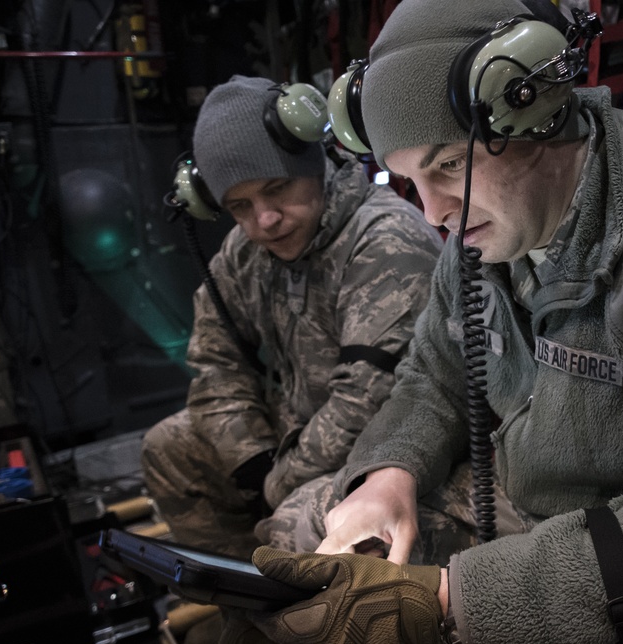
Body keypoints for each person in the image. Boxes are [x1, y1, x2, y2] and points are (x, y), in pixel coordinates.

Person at [215, 1, 623, 644]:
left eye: (449, 165)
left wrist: (450, 601)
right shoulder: (480, 234)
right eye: (408, 180)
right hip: (529, 499)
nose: (432, 212)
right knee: (304, 540)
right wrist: (387, 476)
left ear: (534, 110)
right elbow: (433, 379)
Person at [140, 75, 443, 560]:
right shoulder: (247, 251)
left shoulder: (386, 240)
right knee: (169, 447)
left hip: (382, 444)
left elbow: (366, 403)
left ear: (315, 164)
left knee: (291, 518)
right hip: (293, 439)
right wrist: (252, 457)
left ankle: (284, 605)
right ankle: (246, 600)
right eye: (239, 206)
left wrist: (278, 479)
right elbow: (214, 361)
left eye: (277, 189)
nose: (264, 220)